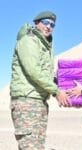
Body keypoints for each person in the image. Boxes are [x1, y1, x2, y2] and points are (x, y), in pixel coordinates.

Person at [10, 11, 69, 150]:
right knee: (30, 146)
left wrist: (63, 84)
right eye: (46, 22)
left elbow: (43, 74)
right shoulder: (28, 41)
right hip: (27, 102)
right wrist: (56, 91)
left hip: (39, 101)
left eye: (52, 25)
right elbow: (34, 71)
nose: (49, 27)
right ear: (37, 23)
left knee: (36, 146)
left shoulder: (44, 45)